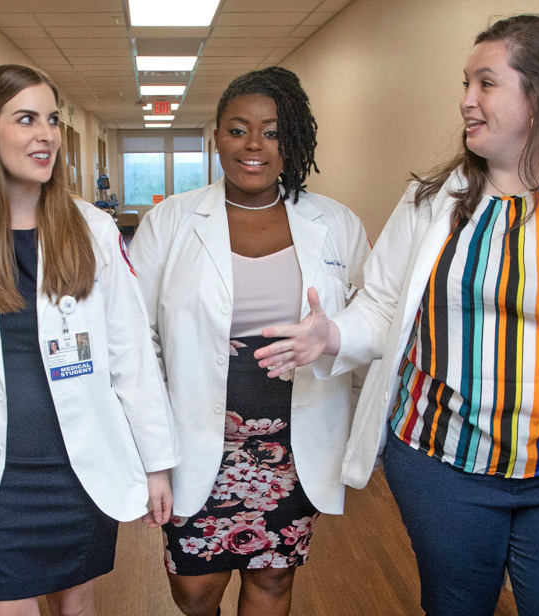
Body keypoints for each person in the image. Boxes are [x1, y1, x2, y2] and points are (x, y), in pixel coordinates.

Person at [276, 15, 539, 615]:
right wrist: (332, 332)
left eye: (486, 84)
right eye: (466, 84)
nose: (467, 101)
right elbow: (384, 305)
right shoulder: (432, 204)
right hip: (443, 464)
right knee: (455, 605)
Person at [0, 64, 178, 616]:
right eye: (26, 119)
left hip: (78, 469)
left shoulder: (92, 230)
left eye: (51, 120)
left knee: (76, 610)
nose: (46, 135)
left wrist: (156, 463)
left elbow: (131, 357)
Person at [129, 67, 370, 616]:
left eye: (273, 131)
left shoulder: (337, 224)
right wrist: (147, 445)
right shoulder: (169, 221)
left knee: (274, 579)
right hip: (193, 435)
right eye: (238, 130)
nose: (254, 145)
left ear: (295, 141)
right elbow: (134, 336)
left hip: (292, 438)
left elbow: (368, 323)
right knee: (194, 590)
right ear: (216, 137)